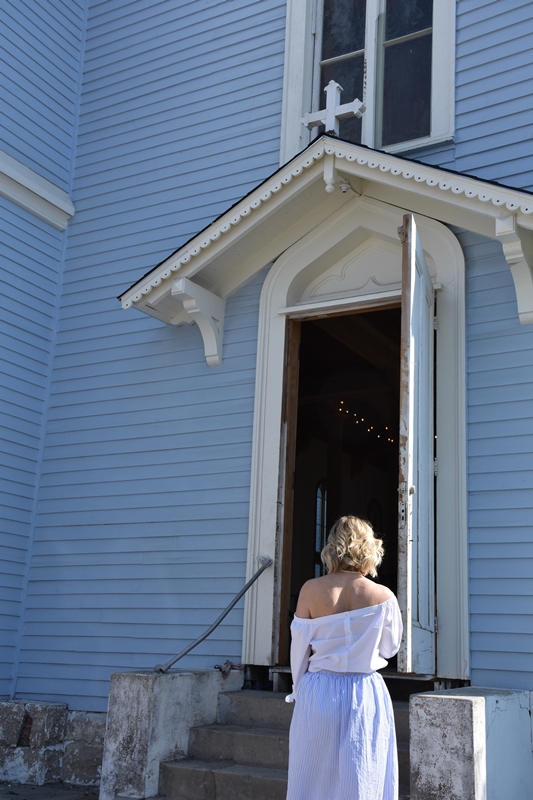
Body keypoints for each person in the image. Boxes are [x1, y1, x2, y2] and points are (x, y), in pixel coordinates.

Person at [285, 515, 403, 800]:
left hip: (319, 689)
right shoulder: (384, 596)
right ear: (369, 548)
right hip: (365, 691)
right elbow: (390, 649)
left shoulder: (311, 590)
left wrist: (298, 689)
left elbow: (298, 649)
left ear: (332, 547)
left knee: (311, 776)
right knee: (362, 774)